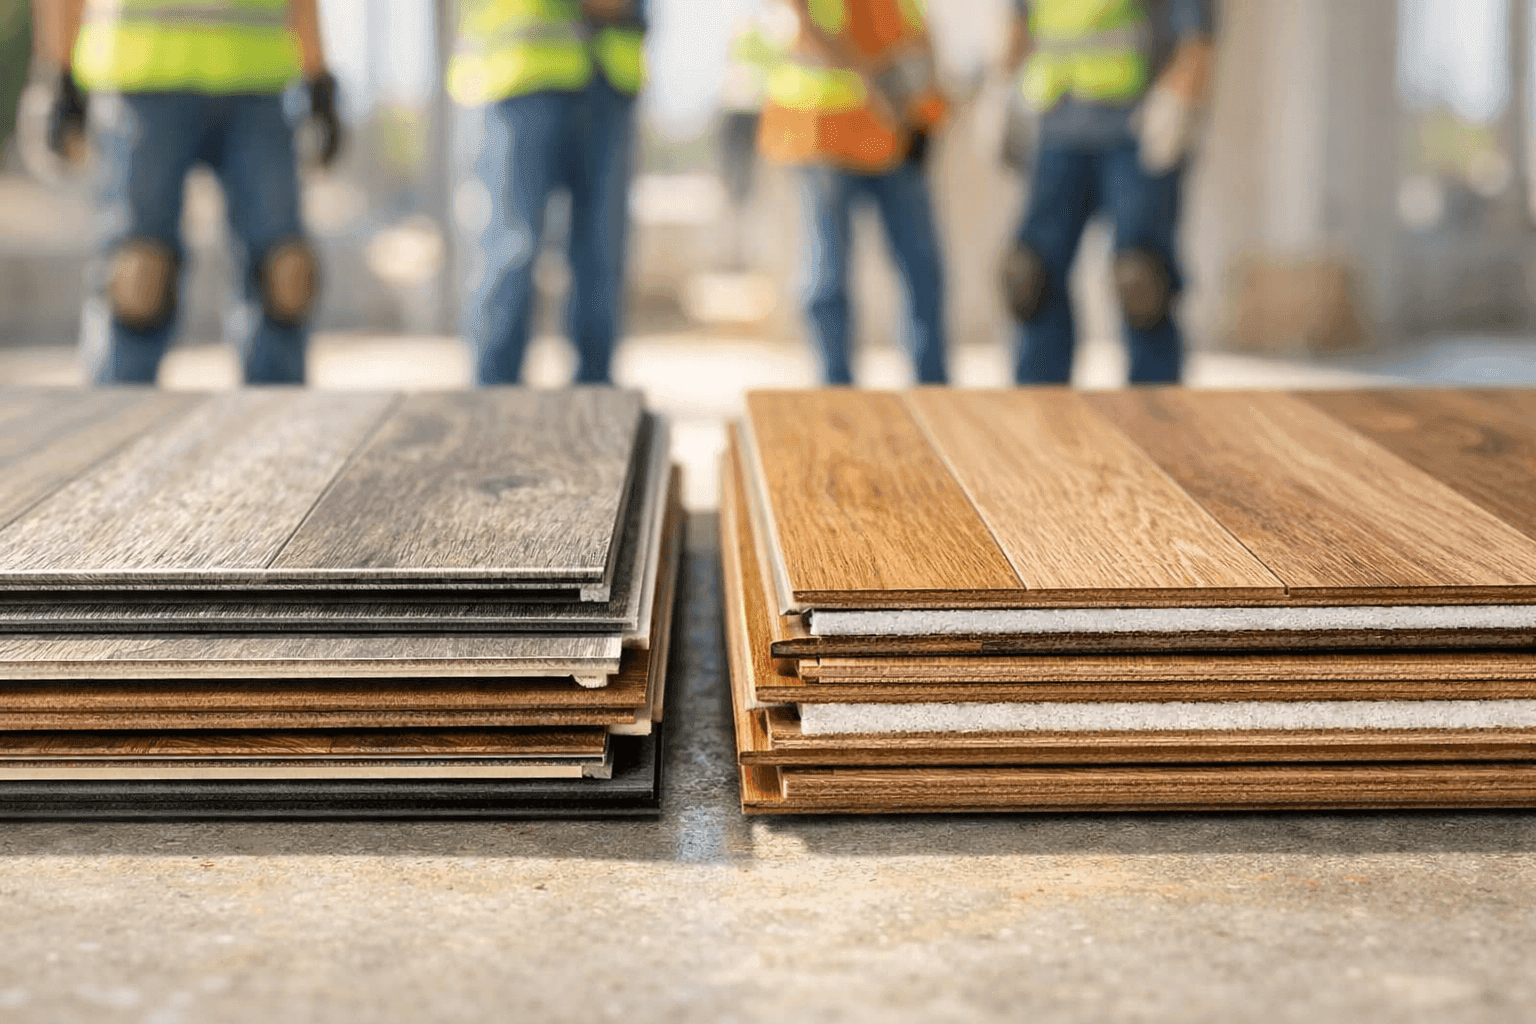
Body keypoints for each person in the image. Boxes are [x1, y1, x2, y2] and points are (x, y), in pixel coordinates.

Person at [34, 0, 343, 386]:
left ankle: (278, 422)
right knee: (137, 279)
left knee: (285, 276)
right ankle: (116, 421)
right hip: (143, 75)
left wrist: (318, 75)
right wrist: (58, 71)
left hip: (259, 78)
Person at [1003, 0, 1216, 385]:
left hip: (1138, 126)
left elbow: (1197, 37)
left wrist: (1180, 100)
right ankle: (1037, 414)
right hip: (1056, 125)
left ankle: (1156, 420)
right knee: (1029, 277)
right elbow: (1020, 18)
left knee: (1141, 282)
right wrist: (1001, 91)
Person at [451, 0, 646, 387]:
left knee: (601, 260)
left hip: (609, 79)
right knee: (512, 253)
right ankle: (491, 407)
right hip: (524, 77)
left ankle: (596, 409)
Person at [758, 0, 950, 386]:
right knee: (829, 276)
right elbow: (804, 26)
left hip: (895, 138)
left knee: (923, 272)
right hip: (829, 133)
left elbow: (915, 35)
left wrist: (924, 116)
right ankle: (836, 391)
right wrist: (881, 85)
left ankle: (932, 390)